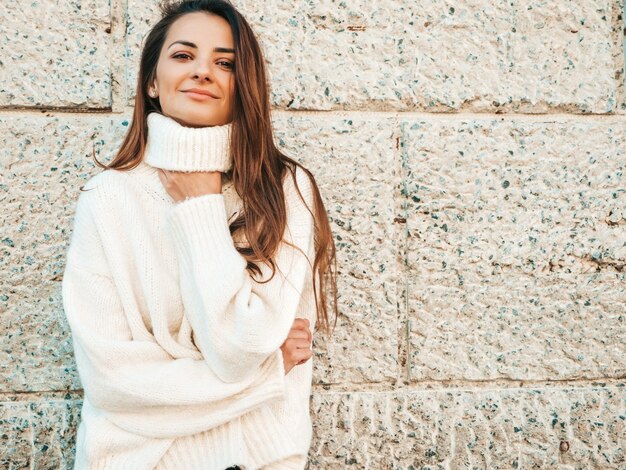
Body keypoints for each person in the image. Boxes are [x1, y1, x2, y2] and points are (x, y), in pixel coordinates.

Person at [61, 0, 338, 468]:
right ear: (152, 80)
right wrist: (268, 372)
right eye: (183, 56)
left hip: (257, 459)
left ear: (243, 84)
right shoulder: (107, 198)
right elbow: (113, 381)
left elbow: (237, 348)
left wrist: (201, 206)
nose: (203, 72)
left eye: (225, 62)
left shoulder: (286, 189)